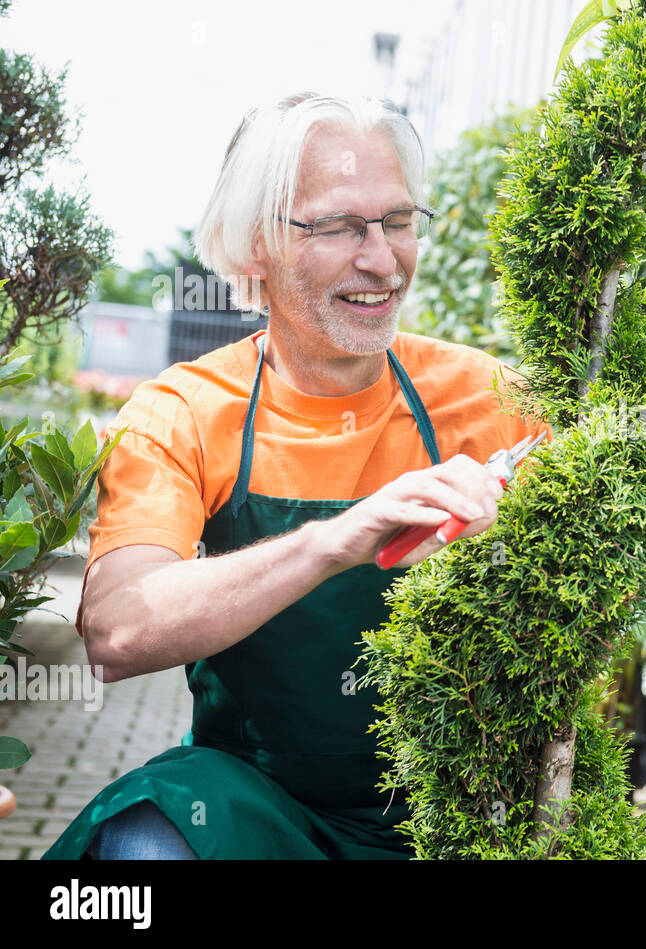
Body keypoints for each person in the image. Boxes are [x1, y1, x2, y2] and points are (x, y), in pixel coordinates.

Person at [42, 92, 548, 859]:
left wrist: (511, 551)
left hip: (463, 808)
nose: (382, 259)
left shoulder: (491, 401)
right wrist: (333, 543)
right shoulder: (185, 410)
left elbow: (609, 564)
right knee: (146, 841)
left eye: (399, 221)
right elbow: (117, 631)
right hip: (256, 811)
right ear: (256, 248)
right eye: (340, 226)